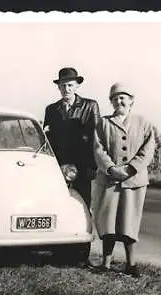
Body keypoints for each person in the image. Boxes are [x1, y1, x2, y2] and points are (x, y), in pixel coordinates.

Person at [92, 82, 156, 277]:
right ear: (110, 102)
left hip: (134, 181)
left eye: (123, 97)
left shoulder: (143, 122)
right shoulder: (103, 123)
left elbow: (148, 149)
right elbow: (98, 148)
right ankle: (106, 264)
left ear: (131, 100)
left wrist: (131, 168)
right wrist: (110, 168)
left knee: (129, 222)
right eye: (115, 98)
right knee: (107, 221)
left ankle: (131, 264)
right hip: (109, 179)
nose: (119, 101)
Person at [43, 67, 101, 263]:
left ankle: (81, 254)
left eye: (70, 85)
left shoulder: (90, 106)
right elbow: (48, 138)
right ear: (58, 87)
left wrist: (94, 166)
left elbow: (96, 138)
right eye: (63, 85)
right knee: (60, 205)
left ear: (77, 86)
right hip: (58, 167)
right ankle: (59, 250)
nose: (66, 89)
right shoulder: (51, 109)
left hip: (82, 165)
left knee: (82, 206)